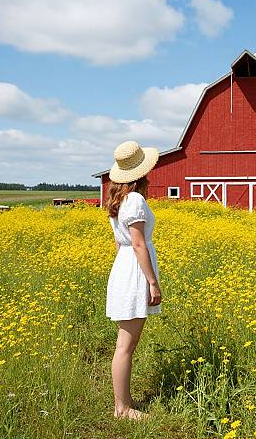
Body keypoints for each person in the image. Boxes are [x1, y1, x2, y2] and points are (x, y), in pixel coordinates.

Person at [104, 140, 163, 421]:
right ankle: (122, 409)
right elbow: (138, 244)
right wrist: (152, 281)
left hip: (124, 269)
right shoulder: (136, 200)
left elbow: (121, 245)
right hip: (135, 272)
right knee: (125, 345)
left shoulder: (118, 200)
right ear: (142, 172)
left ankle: (123, 404)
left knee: (124, 344)